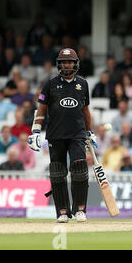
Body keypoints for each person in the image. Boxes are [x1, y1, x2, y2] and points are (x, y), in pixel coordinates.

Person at [27, 48, 95, 223]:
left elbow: (85, 110)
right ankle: (62, 212)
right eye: (64, 62)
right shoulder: (50, 84)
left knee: (79, 169)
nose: (66, 65)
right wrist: (35, 130)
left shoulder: (83, 84)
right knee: (57, 172)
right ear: (59, 64)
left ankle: (80, 209)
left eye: (70, 61)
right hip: (55, 134)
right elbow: (41, 109)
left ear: (75, 64)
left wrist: (90, 132)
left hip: (77, 134)